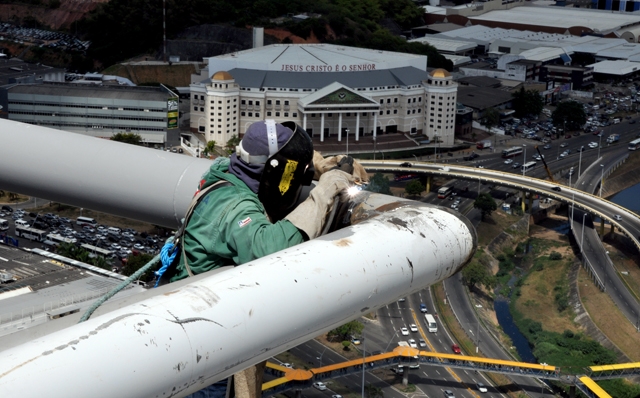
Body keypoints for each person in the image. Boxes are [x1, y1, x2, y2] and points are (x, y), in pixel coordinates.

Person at [158, 119, 368, 397]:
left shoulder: (226, 171)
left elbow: (273, 164)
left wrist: (315, 165)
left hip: (193, 334)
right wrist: (326, 189)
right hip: (204, 351)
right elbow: (269, 247)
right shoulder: (234, 206)